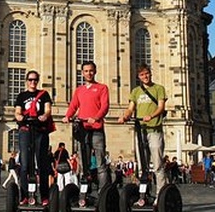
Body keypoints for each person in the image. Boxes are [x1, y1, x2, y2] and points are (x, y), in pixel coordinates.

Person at [118, 64, 167, 199]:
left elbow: (161, 107)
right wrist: (125, 116)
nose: (145, 76)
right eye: (142, 75)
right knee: (141, 165)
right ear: (139, 77)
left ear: (150, 74)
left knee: (157, 164)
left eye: (147, 74)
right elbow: (130, 108)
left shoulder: (159, 89)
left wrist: (151, 116)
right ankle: (143, 194)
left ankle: (160, 195)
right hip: (140, 131)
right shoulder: (136, 92)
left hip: (154, 129)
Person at [64, 61, 110, 192]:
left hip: (96, 129)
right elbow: (73, 105)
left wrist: (96, 117)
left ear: (95, 72)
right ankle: (85, 191)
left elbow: (105, 106)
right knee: (84, 163)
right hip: (83, 130)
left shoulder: (102, 88)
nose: (88, 73)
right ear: (82, 73)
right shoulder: (79, 90)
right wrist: (68, 116)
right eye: (86, 71)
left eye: (91, 71)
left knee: (101, 164)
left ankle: (103, 191)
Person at [14, 69, 54, 205]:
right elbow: (18, 112)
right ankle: (24, 195)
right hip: (25, 131)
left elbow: (48, 110)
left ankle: (44, 196)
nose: (33, 82)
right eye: (30, 80)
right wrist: (20, 117)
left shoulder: (44, 94)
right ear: (27, 81)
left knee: (42, 165)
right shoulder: (22, 96)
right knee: (25, 164)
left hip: (40, 131)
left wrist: (44, 116)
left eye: (35, 80)